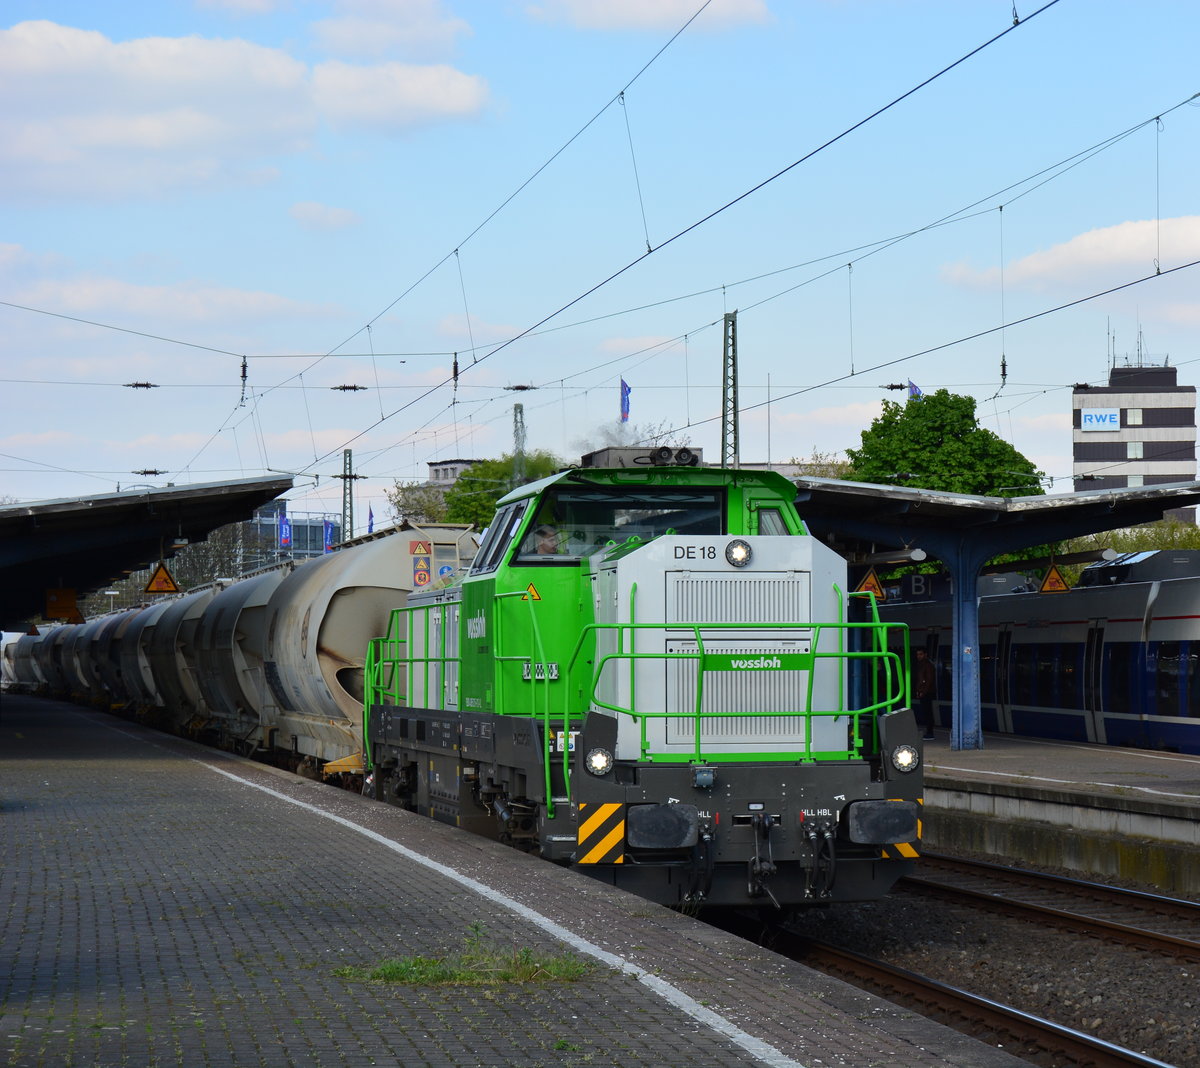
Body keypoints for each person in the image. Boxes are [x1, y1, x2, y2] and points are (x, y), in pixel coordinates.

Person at [913, 647, 936, 740]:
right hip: (924, 692)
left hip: (926, 693)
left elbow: (928, 680)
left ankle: (930, 733)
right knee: (927, 712)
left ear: (925, 654)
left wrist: (922, 692)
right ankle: (929, 732)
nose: (918, 656)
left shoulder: (927, 665)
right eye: (918, 654)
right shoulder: (923, 664)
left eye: (921, 654)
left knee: (928, 712)